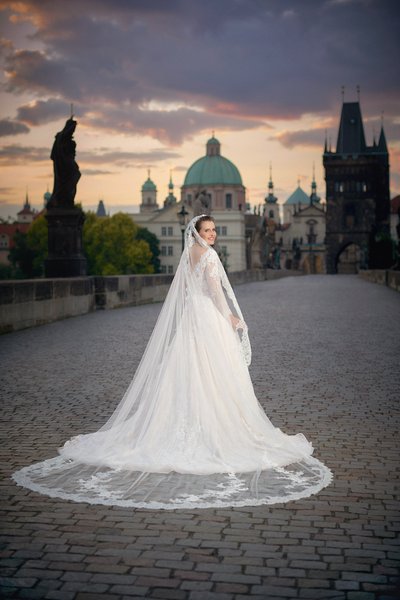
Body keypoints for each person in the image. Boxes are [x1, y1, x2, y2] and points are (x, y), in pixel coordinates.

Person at [13, 214, 332, 509]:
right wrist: (231, 317)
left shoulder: (188, 254)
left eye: (214, 230)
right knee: (214, 372)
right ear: (197, 232)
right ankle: (214, 428)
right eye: (208, 230)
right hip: (207, 317)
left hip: (191, 319)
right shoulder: (208, 255)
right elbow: (215, 291)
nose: (213, 235)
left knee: (186, 370)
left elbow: (185, 291)